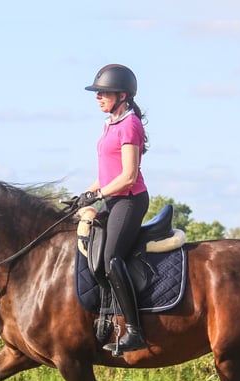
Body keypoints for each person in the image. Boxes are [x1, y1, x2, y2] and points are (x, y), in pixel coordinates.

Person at [76, 64, 150, 355]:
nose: (98, 97)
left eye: (103, 93)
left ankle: (135, 331)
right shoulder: (110, 124)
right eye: (97, 93)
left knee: (111, 258)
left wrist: (98, 195)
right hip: (111, 198)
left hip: (129, 200)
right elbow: (106, 173)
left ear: (122, 95)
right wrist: (87, 194)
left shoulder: (130, 125)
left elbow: (128, 176)